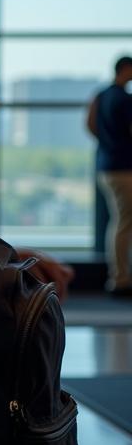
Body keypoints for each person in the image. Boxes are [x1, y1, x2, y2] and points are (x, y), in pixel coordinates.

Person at [87, 56, 132, 295]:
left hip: (106, 165)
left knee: (119, 221)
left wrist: (108, 144)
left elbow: (90, 125)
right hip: (124, 168)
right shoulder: (125, 99)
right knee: (124, 222)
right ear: (125, 69)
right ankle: (120, 279)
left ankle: (119, 276)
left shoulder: (100, 96)